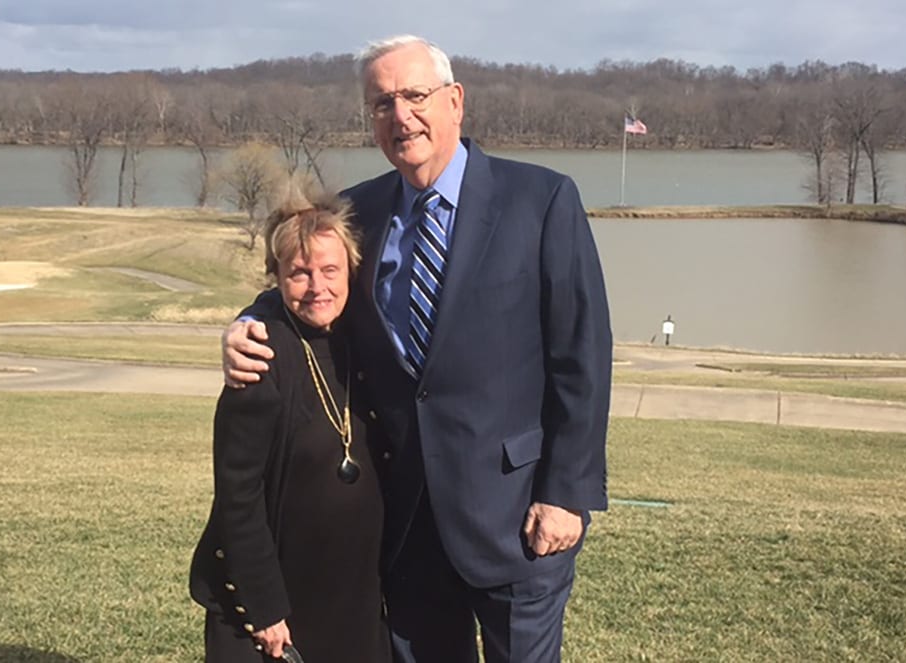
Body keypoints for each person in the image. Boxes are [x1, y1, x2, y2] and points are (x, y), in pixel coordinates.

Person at [223, 35, 612, 663]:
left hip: (517, 517)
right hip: (405, 519)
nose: (400, 115)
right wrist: (245, 322)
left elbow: (582, 355)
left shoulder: (540, 201)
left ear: (455, 101)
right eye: (382, 103)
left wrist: (565, 492)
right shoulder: (361, 212)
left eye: (414, 96)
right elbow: (307, 279)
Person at [190, 192, 392, 663]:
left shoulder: (364, 344)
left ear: (351, 272)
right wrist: (263, 606)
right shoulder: (259, 357)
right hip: (277, 599)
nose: (316, 286)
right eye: (298, 273)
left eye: (329, 271)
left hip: (355, 596)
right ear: (276, 278)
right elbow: (238, 496)